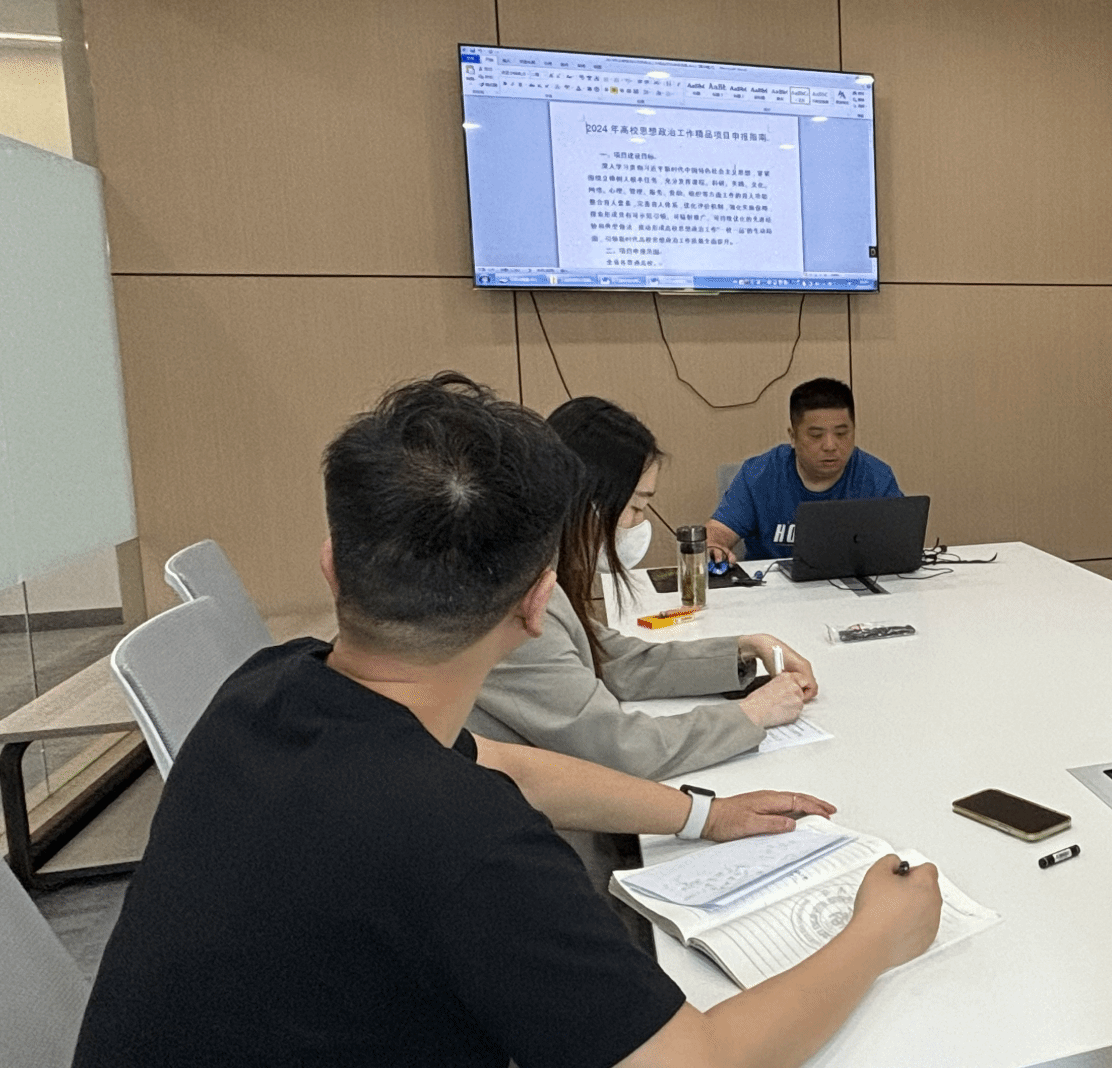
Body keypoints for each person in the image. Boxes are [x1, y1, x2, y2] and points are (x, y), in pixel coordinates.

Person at [74, 374, 940, 1068]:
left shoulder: (266, 688)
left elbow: (505, 761)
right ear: (538, 606)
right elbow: (696, 1058)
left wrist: (703, 815)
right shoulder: (472, 848)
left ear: (334, 567)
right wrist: (877, 936)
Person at [471, 395, 818, 779]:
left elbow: (611, 660)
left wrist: (745, 648)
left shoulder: (533, 569)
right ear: (589, 503)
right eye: (636, 507)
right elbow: (620, 749)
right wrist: (751, 714)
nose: (639, 524)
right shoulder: (522, 600)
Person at [708, 376, 902, 563]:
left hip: (854, 580)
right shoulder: (759, 474)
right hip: (771, 582)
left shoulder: (876, 476)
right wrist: (715, 546)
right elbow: (718, 531)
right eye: (816, 435)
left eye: (841, 434)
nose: (830, 446)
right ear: (793, 437)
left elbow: (900, 543)